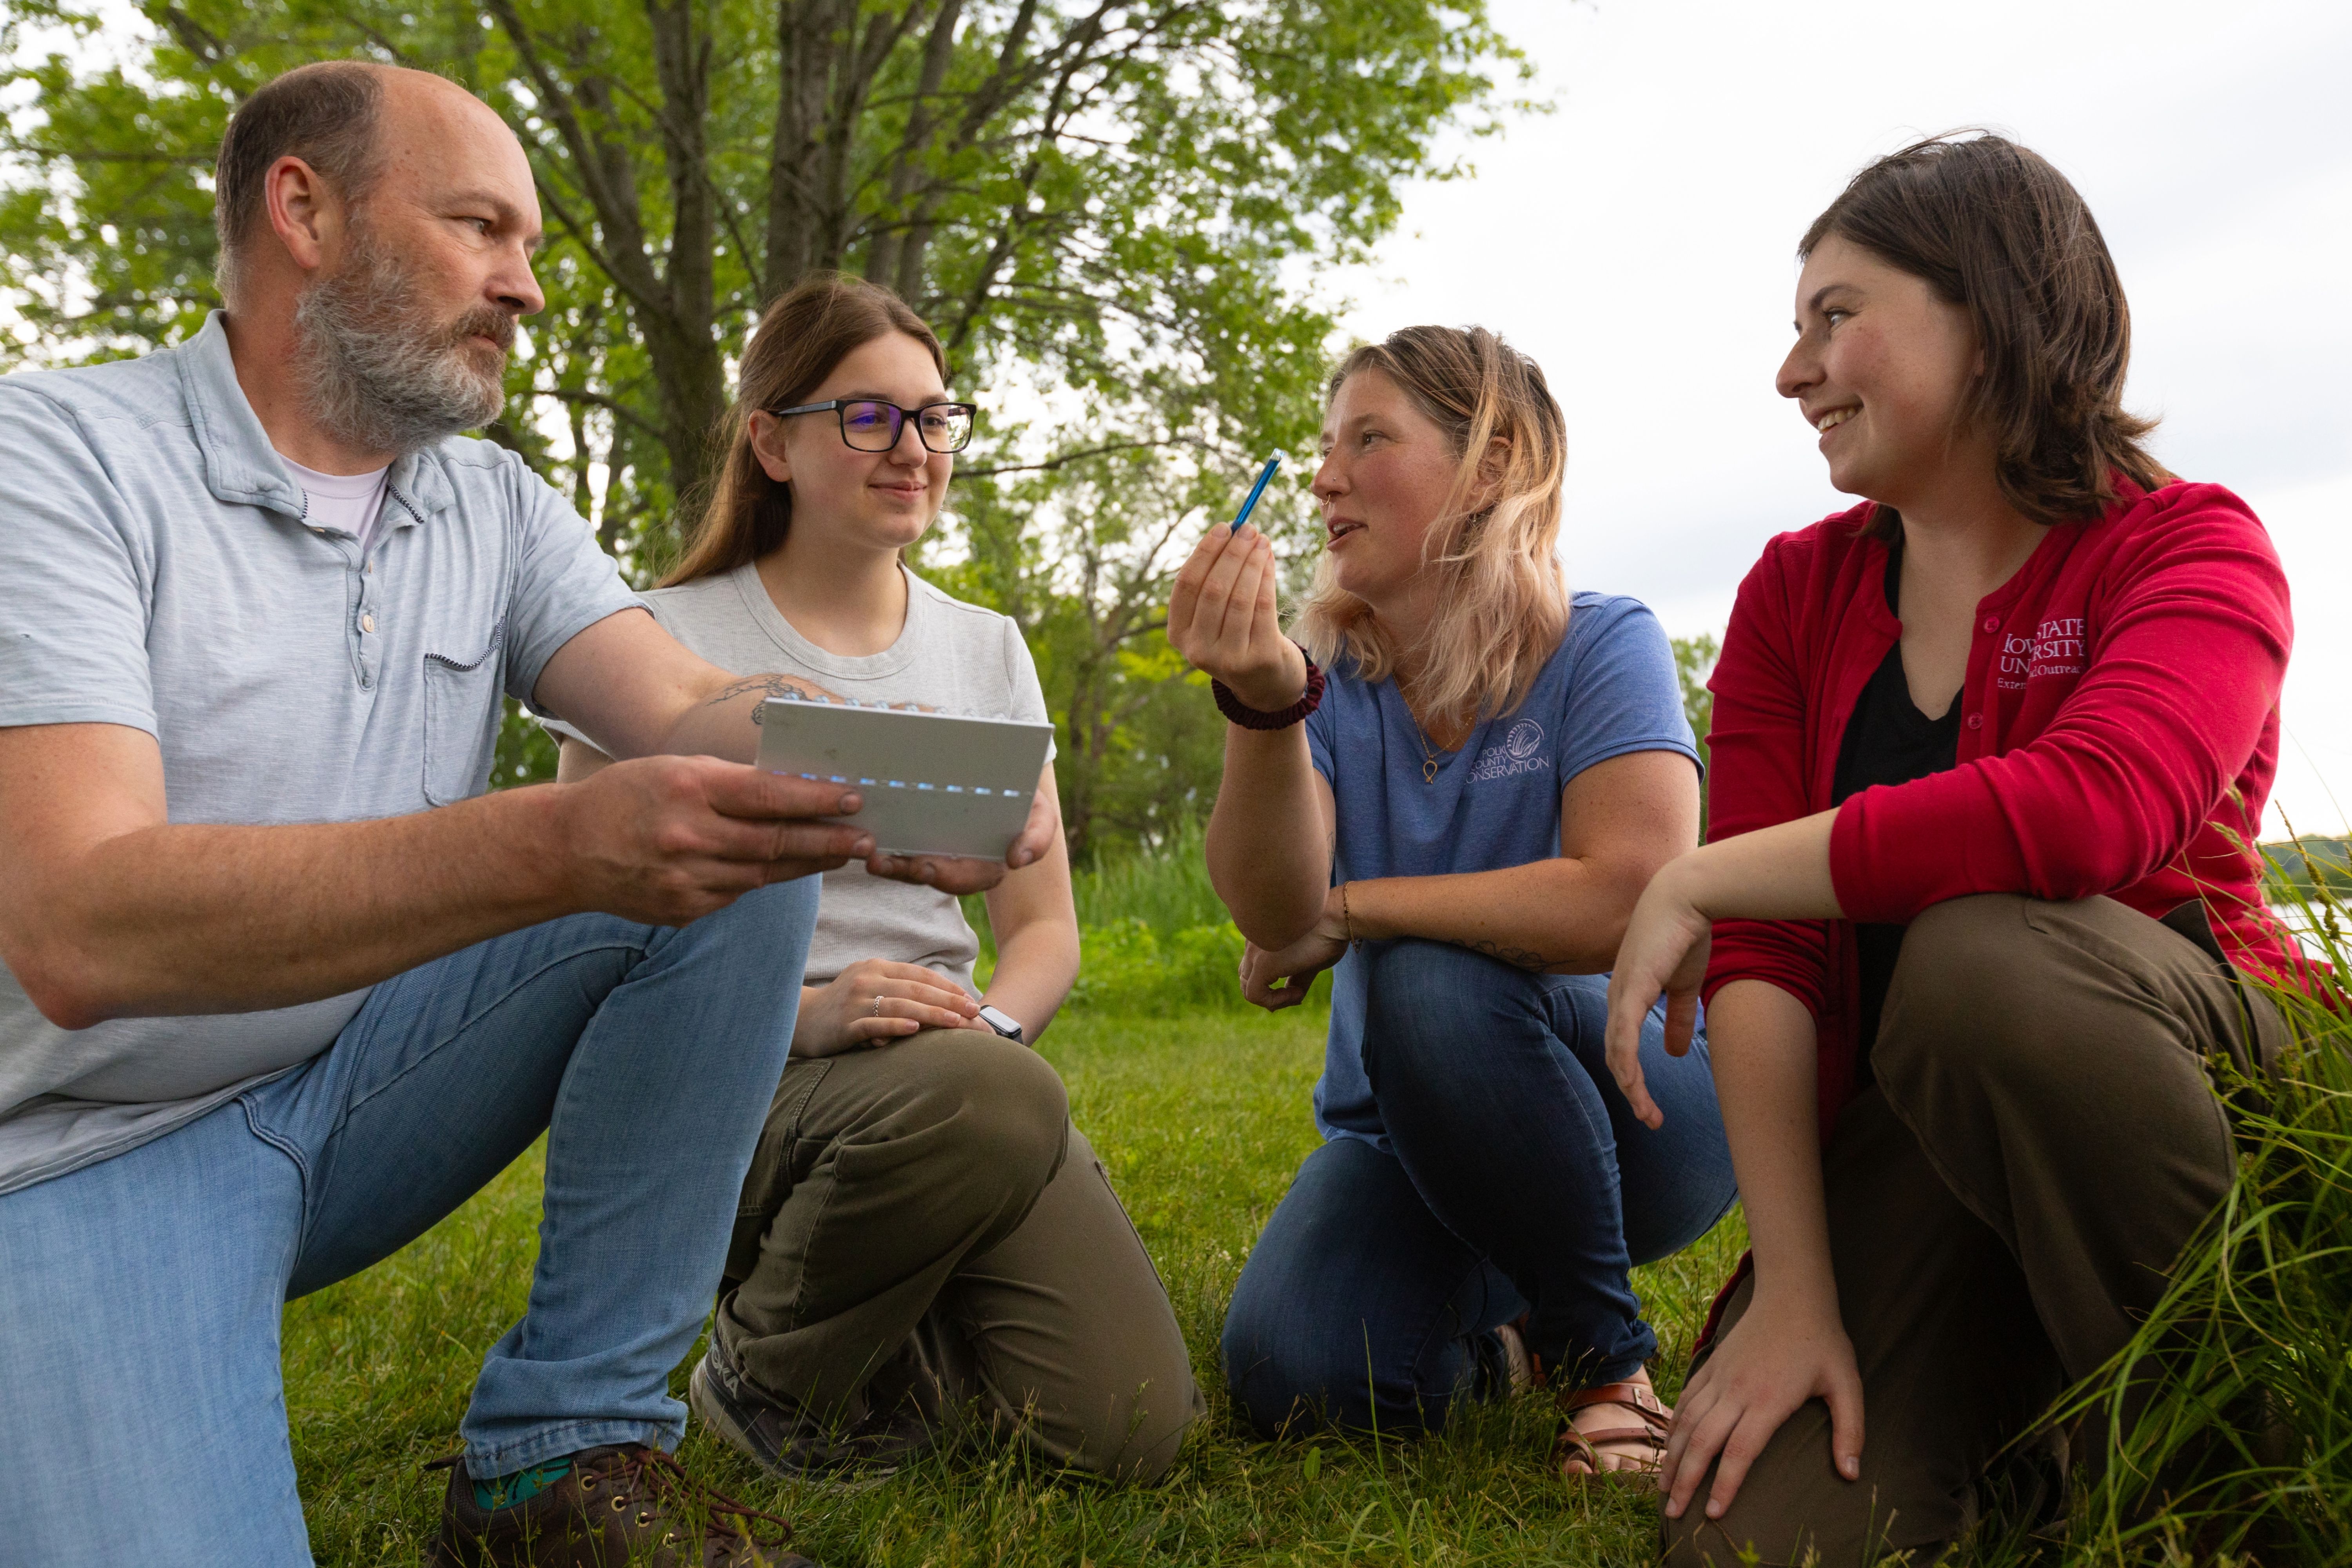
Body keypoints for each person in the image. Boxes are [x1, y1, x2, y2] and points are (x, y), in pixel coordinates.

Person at [0, 63, 1054, 1568]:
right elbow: (75, 927)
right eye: (484, 229)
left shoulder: (486, 502)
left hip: (355, 1089)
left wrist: (897, 773)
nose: (530, 289)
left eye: (537, 247)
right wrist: (556, 842)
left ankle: (559, 1463)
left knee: (730, 837)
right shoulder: (55, 459)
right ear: (303, 209)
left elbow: (689, 712)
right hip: (73, 1147)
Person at [1599, 133, 2303, 1566]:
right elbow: (1776, 963)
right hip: (1923, 1140)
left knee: (1988, 963)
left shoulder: (2192, 550)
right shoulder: (1796, 593)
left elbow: (2092, 808)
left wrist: (1704, 871)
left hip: (2197, 1106)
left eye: (1836, 315)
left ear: (1990, 312)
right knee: (1757, 1540)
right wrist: (1795, 1289)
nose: (1793, 373)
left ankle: (2236, 1461)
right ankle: (2028, 1424)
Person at [551, 274, 1201, 1484]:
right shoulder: (646, 645)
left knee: (1125, 1434)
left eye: (935, 417)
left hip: (959, 1087)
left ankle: (915, 1271)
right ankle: (765, 1369)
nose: (914, 448)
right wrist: (810, 1017)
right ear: (771, 442)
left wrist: (991, 1032)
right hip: (747, 1085)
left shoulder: (985, 647)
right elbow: (583, 941)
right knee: (984, 1101)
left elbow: (1045, 928)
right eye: (868, 417)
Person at [1171, 325, 1737, 1477]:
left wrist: (1364, 910)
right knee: (1297, 1376)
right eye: (1326, 447)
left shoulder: (1602, 643)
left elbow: (1632, 895)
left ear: (1493, 464)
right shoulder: (1324, 682)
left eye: (1369, 439)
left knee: (1434, 977)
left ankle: (1607, 1363)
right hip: (1408, 1130)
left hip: (1640, 1099)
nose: (1326, 476)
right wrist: (1264, 700)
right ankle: (1510, 1348)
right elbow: (1280, 916)